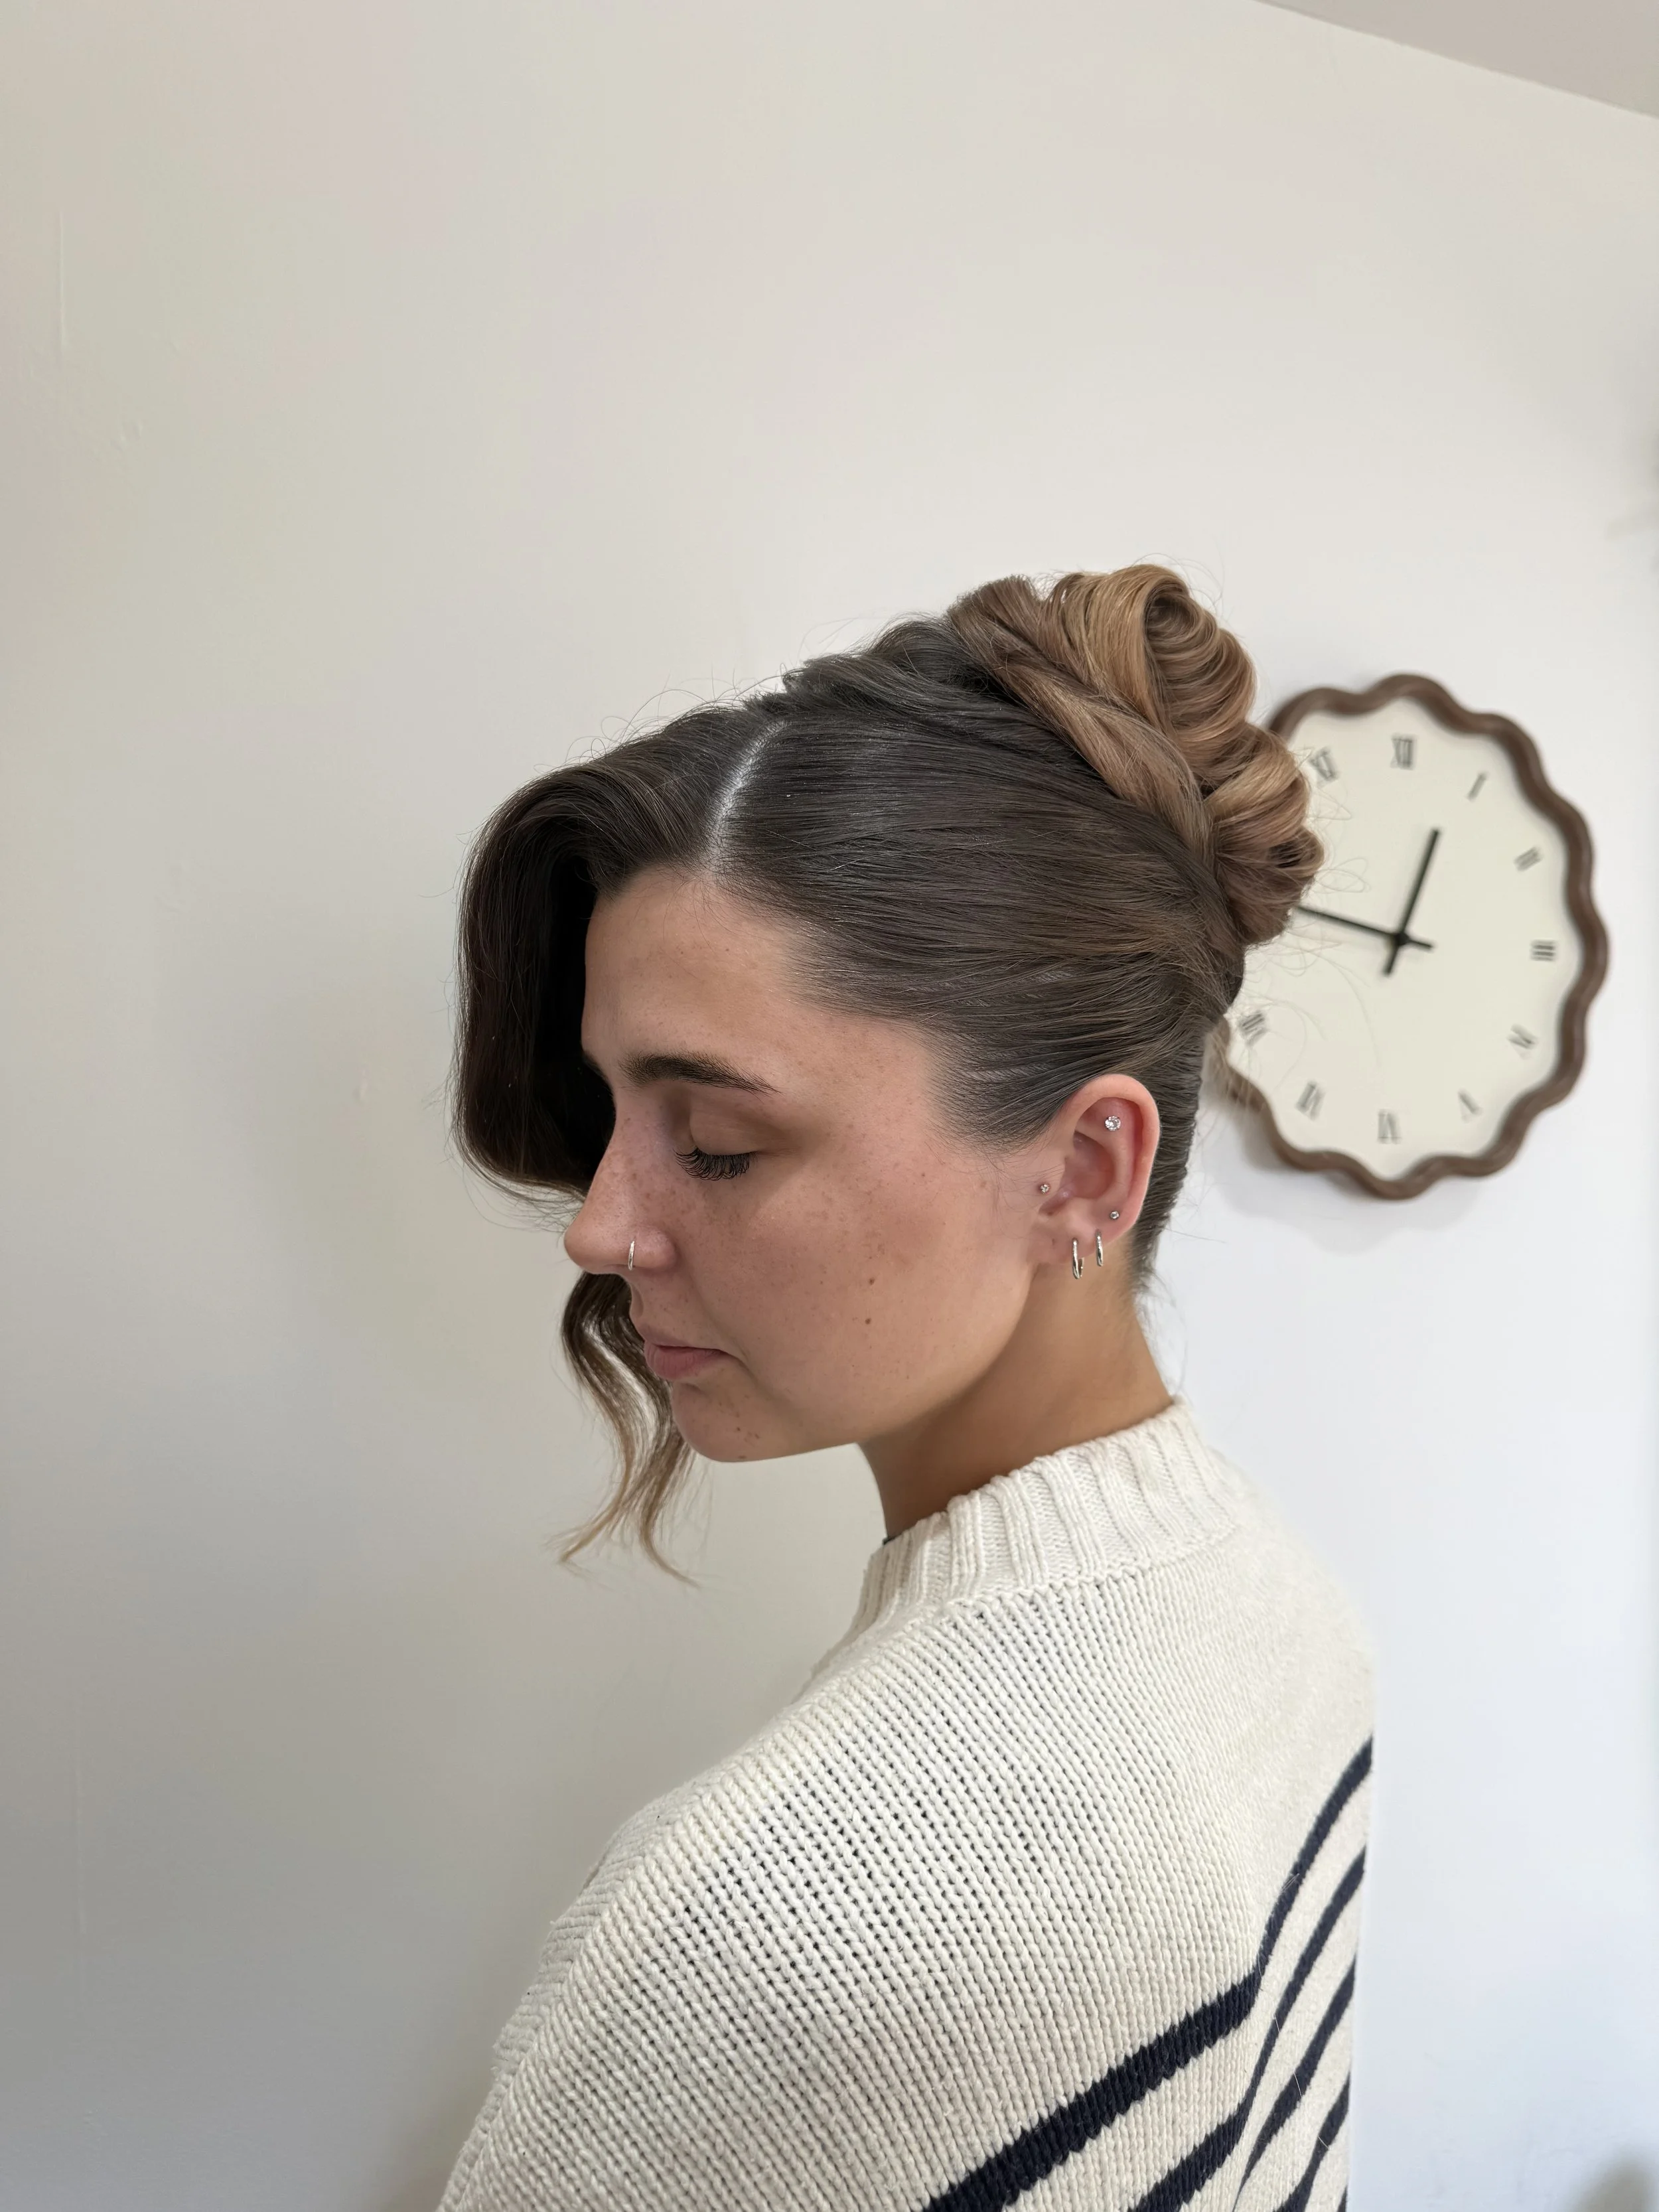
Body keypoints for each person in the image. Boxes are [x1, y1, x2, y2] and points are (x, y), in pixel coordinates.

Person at [438, 566, 1373, 2212]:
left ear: (1084, 1168)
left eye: (717, 1141)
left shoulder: (763, 1932)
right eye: (608, 1112)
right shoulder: (1277, 1608)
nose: (596, 1221)